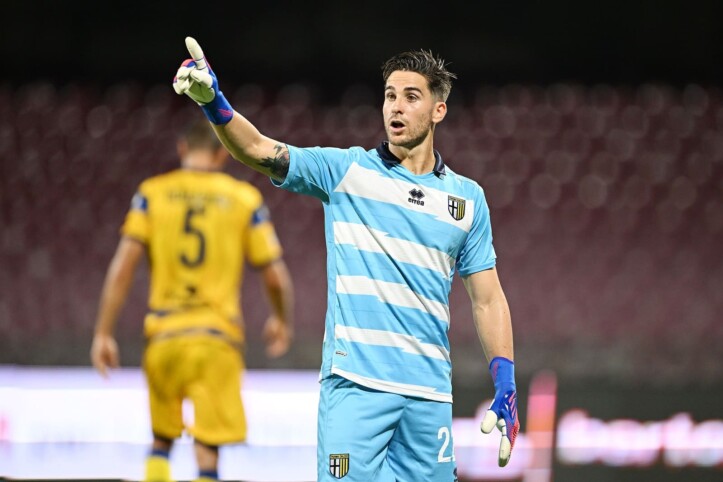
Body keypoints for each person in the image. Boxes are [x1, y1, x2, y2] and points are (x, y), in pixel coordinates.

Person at [174, 37, 519, 481]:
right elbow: (258, 149)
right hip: (356, 386)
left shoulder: (467, 199)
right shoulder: (346, 171)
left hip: (429, 393)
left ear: (439, 110)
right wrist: (214, 103)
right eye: (390, 96)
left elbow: (487, 299)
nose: (396, 107)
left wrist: (506, 381)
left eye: (411, 97)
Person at [90, 120, 294, 482]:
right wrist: (281, 319)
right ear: (223, 154)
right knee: (208, 448)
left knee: (161, 438)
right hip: (216, 340)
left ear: (182, 148)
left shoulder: (152, 194)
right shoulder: (243, 199)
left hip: (164, 335)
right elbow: (275, 276)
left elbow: (122, 268)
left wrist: (103, 332)